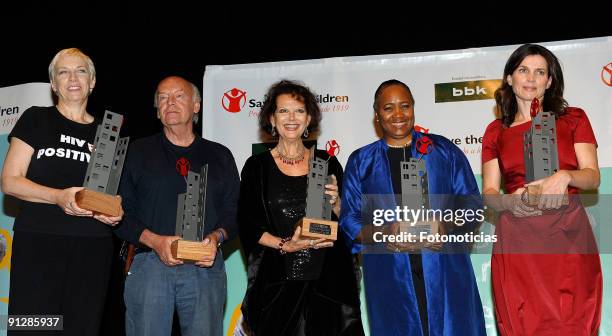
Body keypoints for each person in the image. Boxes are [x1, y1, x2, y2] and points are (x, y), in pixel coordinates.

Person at [340, 79, 486, 335]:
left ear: (413, 108)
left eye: (405, 106)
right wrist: (386, 232)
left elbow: (472, 204)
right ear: (377, 115)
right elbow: (349, 221)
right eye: (388, 108)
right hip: (390, 276)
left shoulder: (443, 151)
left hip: (444, 272)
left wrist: (444, 224)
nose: (398, 114)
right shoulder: (361, 161)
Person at [482, 43, 602, 335]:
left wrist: (565, 176)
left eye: (540, 72)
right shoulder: (495, 131)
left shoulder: (574, 118)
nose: (531, 79)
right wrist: (511, 201)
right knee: (523, 322)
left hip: (568, 236)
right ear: (510, 78)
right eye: (523, 70)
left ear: (549, 81)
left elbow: (592, 177)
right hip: (518, 240)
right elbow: (489, 193)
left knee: (572, 321)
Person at [1, 47, 123, 335]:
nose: (73, 78)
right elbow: (10, 181)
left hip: (92, 247)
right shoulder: (36, 119)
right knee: (31, 328)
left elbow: (113, 195)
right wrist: (59, 197)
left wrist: (114, 211)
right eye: (63, 72)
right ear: (53, 84)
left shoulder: (108, 134)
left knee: (80, 328)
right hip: (39, 242)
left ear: (92, 82)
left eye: (81, 71)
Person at [114, 76, 240, 336]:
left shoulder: (220, 155)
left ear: (196, 106)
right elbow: (118, 213)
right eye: (162, 97)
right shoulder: (135, 153)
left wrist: (216, 238)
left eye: (179, 96)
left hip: (204, 267)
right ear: (157, 108)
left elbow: (234, 211)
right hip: (149, 264)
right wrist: (155, 241)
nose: (170, 102)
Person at [238, 80, 364, 335]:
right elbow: (247, 224)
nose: (291, 118)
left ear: (308, 120)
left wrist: (337, 204)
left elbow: (347, 219)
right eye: (283, 111)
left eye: (299, 111)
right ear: (272, 119)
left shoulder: (328, 161)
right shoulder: (257, 167)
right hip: (279, 282)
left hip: (329, 282)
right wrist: (286, 245)